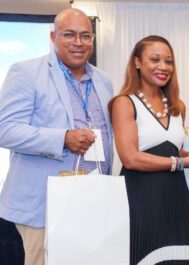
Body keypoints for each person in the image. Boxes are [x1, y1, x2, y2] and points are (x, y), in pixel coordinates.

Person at [0, 8, 113, 265]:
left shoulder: (103, 81)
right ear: (53, 37)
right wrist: (63, 138)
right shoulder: (26, 73)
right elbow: (5, 129)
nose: (78, 42)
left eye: (86, 36)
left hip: (91, 205)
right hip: (42, 209)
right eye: (69, 34)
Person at [109, 35, 189, 265]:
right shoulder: (124, 103)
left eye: (169, 61)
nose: (163, 67)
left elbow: (175, 150)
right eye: (155, 59)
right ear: (137, 62)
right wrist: (182, 162)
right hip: (140, 199)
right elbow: (131, 158)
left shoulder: (178, 106)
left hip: (175, 198)